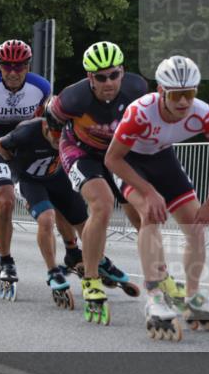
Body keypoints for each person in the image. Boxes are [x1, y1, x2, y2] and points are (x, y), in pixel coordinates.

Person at [106, 55, 209, 341]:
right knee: (150, 214)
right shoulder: (140, 111)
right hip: (131, 162)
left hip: (163, 159)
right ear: (161, 92)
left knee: (195, 227)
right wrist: (149, 191)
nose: (183, 102)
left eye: (189, 94)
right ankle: (155, 294)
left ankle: (192, 297)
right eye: (176, 95)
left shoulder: (202, 112)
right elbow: (112, 159)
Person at [46, 41, 146, 324]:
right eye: (101, 77)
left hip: (117, 153)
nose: (109, 82)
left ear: (122, 72)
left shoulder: (137, 88)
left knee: (142, 215)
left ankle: (157, 276)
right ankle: (91, 280)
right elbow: (51, 125)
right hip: (78, 150)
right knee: (102, 205)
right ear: (90, 77)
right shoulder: (72, 98)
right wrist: (57, 152)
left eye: (114, 75)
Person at [0, 39, 50, 296]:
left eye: (20, 67)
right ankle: (6, 261)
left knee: (7, 202)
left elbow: (42, 117)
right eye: (7, 67)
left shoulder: (41, 87)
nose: (13, 73)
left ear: (28, 66)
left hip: (23, 142)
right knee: (5, 200)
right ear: (0, 67)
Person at [0, 114, 89, 308]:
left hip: (56, 176)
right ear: (45, 126)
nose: (57, 139)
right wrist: (15, 167)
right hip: (29, 179)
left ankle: (81, 256)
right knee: (47, 218)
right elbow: (0, 144)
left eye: (61, 135)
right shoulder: (28, 131)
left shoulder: (76, 130)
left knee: (83, 221)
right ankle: (53, 271)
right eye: (53, 134)